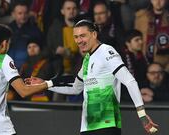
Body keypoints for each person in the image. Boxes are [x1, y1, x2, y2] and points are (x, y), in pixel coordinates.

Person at [26, 20, 158, 135]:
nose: (79, 41)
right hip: (88, 126)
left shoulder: (106, 51)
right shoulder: (87, 59)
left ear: (94, 34)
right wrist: (45, 83)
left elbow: (129, 81)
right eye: (76, 37)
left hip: (107, 124)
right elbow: (75, 87)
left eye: (83, 36)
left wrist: (142, 114)